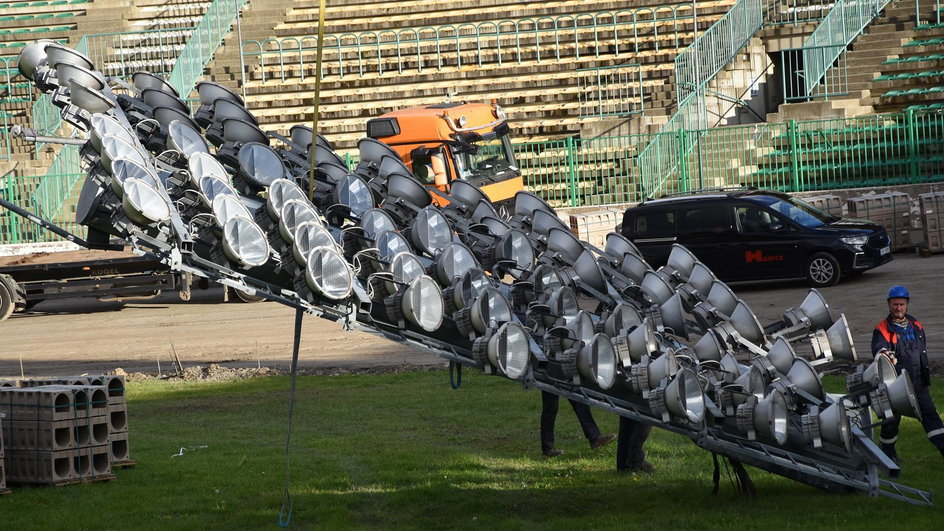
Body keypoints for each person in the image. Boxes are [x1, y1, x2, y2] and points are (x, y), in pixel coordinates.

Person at [871, 285, 944, 468]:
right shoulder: (881, 330)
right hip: (894, 386)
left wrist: (925, 381)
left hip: (918, 382)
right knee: (891, 421)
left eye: (902, 304)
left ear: (907, 304)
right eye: (895, 304)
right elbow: (879, 351)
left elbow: (922, 354)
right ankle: (886, 455)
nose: (898, 308)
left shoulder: (917, 325)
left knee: (931, 417)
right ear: (889, 305)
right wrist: (883, 353)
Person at [540, 391, 615, 457]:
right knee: (550, 408)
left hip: (566, 376)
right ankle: (548, 449)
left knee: (579, 401)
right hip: (550, 376)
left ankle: (595, 438)